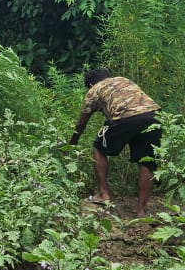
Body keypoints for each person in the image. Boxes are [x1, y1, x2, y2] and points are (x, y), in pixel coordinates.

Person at [67, 68, 161, 217]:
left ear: (91, 84)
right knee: (147, 161)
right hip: (153, 116)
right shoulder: (123, 80)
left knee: (98, 148)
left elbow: (81, 124)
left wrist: (71, 144)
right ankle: (141, 211)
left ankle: (103, 194)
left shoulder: (93, 90)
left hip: (125, 116)